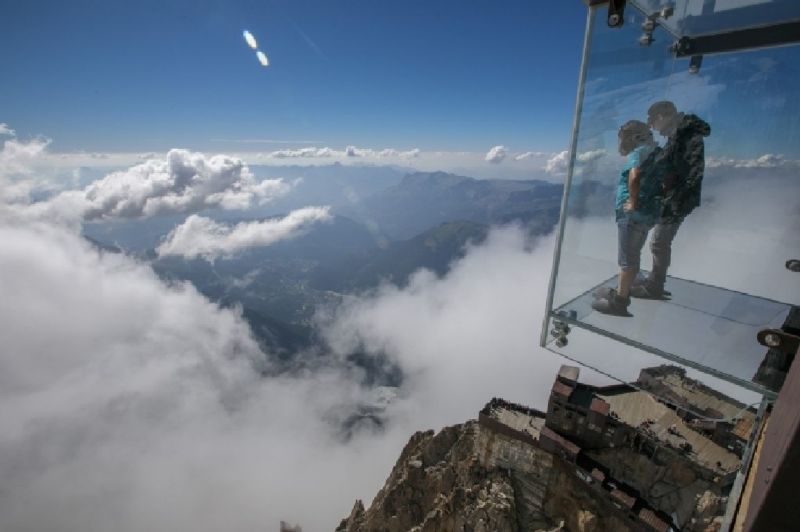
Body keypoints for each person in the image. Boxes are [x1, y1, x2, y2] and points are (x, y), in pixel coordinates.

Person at [630, 101, 711, 299]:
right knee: (659, 243)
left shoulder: (687, 134)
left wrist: (675, 197)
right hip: (675, 198)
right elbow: (667, 161)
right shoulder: (680, 134)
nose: (651, 125)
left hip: (677, 200)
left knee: (659, 243)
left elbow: (692, 172)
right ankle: (654, 282)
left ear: (662, 116)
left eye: (651, 120)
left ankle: (654, 286)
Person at [592, 120, 664, 316]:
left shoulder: (638, 153)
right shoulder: (657, 154)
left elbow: (635, 175)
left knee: (626, 260)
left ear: (634, 137)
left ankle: (619, 302)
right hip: (647, 215)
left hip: (631, 216)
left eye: (624, 137)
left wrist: (632, 202)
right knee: (633, 254)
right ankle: (627, 287)